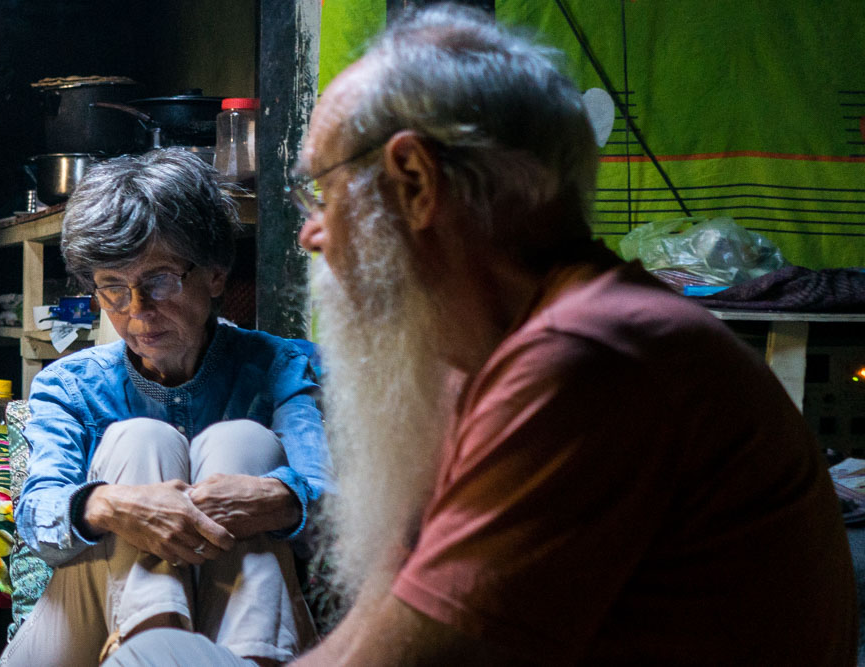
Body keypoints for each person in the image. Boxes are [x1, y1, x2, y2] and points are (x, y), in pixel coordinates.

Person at [284, 6, 854, 665]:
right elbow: (378, 623)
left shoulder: (584, 357)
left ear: (414, 180)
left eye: (323, 192)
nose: (310, 234)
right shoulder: (497, 352)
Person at [3, 148, 330, 666]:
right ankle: (152, 645)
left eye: (159, 280)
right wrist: (112, 506)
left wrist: (279, 499)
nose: (137, 311)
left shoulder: (281, 368)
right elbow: (36, 514)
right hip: (82, 637)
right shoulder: (70, 386)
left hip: (232, 634)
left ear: (215, 275)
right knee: (140, 441)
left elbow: (335, 506)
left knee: (242, 444)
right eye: (113, 288)